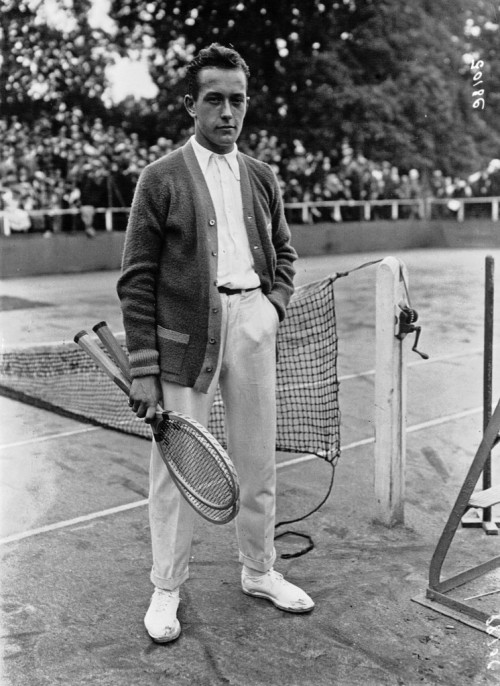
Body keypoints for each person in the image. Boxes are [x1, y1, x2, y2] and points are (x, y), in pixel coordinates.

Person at [117, 43, 314, 644]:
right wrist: (144, 369)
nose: (228, 112)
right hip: (184, 340)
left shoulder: (262, 177)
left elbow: (284, 254)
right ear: (190, 105)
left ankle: (259, 570)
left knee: (257, 460)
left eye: (238, 100)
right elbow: (136, 279)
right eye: (215, 100)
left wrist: (271, 310)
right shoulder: (160, 179)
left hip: (253, 322)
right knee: (176, 471)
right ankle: (166, 587)